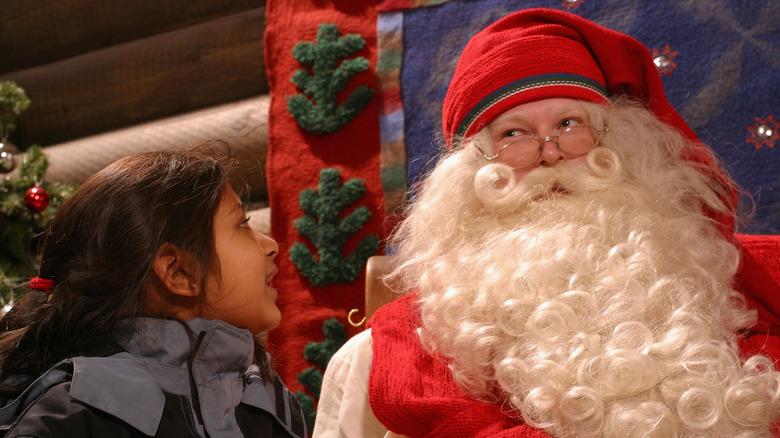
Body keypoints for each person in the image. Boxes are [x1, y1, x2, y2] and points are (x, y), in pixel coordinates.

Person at [313, 8, 780, 438]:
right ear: (469, 178)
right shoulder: (376, 363)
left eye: (570, 124)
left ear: (620, 144)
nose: (550, 153)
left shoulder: (744, 296)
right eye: (514, 134)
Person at [0, 142, 307, 437]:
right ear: (178, 271)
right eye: (242, 223)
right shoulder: (77, 417)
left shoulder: (268, 404)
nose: (271, 245)